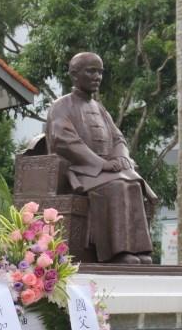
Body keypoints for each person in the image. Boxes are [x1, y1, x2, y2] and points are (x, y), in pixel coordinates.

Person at [45, 52, 157, 264]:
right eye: (91, 71)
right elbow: (64, 140)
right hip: (80, 171)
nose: (97, 76)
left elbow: (117, 137)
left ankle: (138, 249)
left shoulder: (100, 108)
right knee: (117, 186)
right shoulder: (61, 105)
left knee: (132, 184)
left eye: (100, 72)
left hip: (107, 170)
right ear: (74, 74)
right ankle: (117, 252)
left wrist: (122, 157)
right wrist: (101, 164)